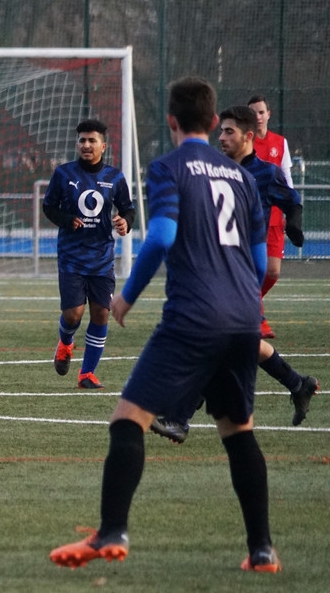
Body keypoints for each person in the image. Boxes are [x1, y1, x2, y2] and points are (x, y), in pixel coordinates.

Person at [50, 77, 282, 573]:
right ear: (215, 122)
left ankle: (112, 531)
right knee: (238, 432)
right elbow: (262, 262)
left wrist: (127, 297)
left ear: (172, 121)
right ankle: (262, 549)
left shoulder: (168, 168)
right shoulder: (243, 177)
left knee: (127, 419)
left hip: (194, 316)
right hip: (244, 318)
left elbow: (160, 238)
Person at [150, 105, 317, 443]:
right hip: (215, 268)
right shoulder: (215, 169)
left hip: (241, 273)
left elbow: (292, 199)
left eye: (229, 131)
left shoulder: (266, 173)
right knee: (241, 343)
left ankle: (180, 418)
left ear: (248, 136)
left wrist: (295, 224)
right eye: (221, 130)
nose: (222, 137)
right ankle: (298, 384)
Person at [42, 119, 134, 389]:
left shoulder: (115, 177)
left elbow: (128, 209)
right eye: (82, 140)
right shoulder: (63, 174)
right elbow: (49, 207)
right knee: (73, 314)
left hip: (102, 258)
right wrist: (66, 219)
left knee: (101, 313)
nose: (86, 145)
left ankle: (87, 374)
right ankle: (65, 342)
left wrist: (125, 222)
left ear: (103, 146)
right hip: (71, 256)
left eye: (92, 140)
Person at [248, 94, 294, 339]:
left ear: (268, 114)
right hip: (250, 216)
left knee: (273, 271)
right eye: (253, 112)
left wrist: (292, 209)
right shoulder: (244, 141)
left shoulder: (280, 143)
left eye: (261, 112)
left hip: (274, 215)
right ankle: (258, 318)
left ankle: (248, 303)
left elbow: (287, 179)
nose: (257, 117)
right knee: (254, 268)